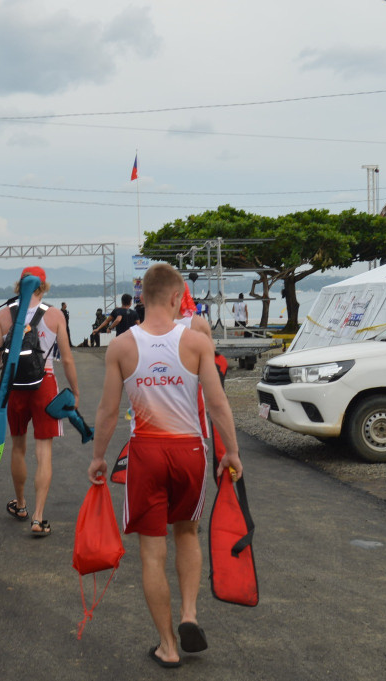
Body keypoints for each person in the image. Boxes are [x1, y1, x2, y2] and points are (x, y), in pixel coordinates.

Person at [88, 263, 242, 667]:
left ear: (142, 298)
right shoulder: (195, 343)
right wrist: (232, 451)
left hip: (147, 454)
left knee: (151, 553)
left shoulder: (121, 346)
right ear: (177, 298)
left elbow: (107, 411)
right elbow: (217, 403)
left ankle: (168, 646)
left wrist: (99, 457)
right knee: (187, 533)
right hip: (190, 451)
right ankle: (190, 613)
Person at [0, 266, 79, 537]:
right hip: (46, 385)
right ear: (43, 285)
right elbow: (68, 358)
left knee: (18, 446)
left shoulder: (4, 315)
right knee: (44, 452)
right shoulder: (54, 315)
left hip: (14, 386)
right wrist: (74, 391)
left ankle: (21, 504)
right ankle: (38, 517)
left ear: (19, 285)